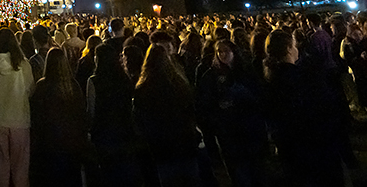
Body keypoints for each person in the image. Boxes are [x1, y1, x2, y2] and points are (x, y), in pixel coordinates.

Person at [263, 30, 345, 186]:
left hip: (292, 154)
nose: (297, 49)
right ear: (288, 49)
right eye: (294, 45)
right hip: (317, 149)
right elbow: (324, 110)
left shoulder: (271, 81)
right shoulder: (303, 78)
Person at [196, 39, 267, 187]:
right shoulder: (210, 75)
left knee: (256, 169)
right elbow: (204, 103)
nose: (223, 55)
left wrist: (241, 95)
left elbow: (259, 95)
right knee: (238, 171)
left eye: (226, 51)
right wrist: (218, 110)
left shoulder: (245, 70)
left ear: (234, 52)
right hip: (228, 132)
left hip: (250, 128)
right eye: (219, 52)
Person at [133, 44, 201, 187]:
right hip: (184, 140)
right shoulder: (179, 83)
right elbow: (190, 109)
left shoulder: (143, 88)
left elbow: (140, 118)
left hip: (162, 144)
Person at [29, 47, 87, 187]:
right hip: (71, 141)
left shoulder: (42, 86)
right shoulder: (73, 86)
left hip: (49, 142)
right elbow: (81, 113)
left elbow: (36, 115)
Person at [0, 28, 34, 187]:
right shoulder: (22, 64)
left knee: (0, 162)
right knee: (20, 164)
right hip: (19, 117)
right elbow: (30, 88)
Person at [87, 43, 139, 186]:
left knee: (108, 174)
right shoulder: (124, 78)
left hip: (103, 133)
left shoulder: (94, 81)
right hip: (124, 130)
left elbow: (91, 110)